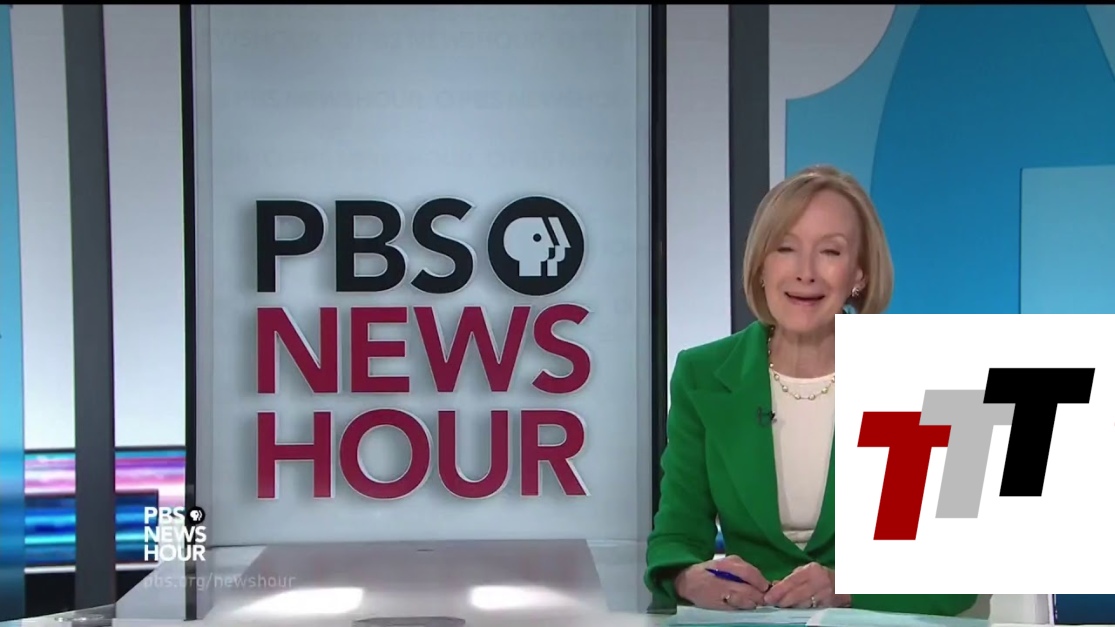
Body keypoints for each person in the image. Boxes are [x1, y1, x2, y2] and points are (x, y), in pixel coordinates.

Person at [644, 165, 976, 616]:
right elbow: (676, 537)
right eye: (785, 249)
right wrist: (690, 578)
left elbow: (954, 577)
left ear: (859, 274)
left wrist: (848, 588)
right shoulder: (702, 374)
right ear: (762, 265)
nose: (805, 273)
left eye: (830, 252)